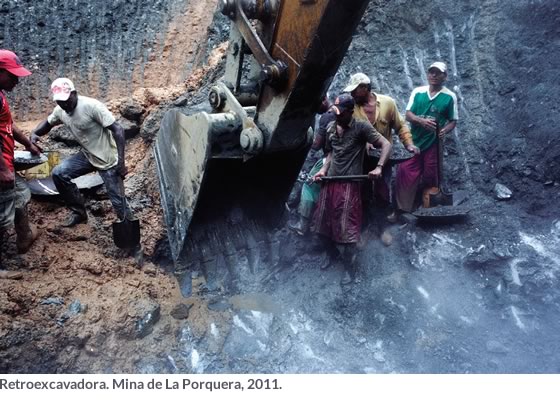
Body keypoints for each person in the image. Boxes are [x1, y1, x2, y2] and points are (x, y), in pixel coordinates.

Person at [31, 78, 141, 257]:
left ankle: (133, 245)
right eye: (60, 101)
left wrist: (121, 162)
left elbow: (118, 130)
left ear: (74, 93)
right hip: (87, 156)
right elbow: (48, 123)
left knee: (118, 202)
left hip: (108, 160)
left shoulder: (91, 106)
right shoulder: (61, 110)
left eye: (67, 99)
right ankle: (78, 211)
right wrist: (35, 133)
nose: (64, 104)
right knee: (59, 173)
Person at [312, 94, 391, 284]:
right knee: (322, 225)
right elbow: (331, 152)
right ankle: (331, 255)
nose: (337, 116)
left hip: (349, 184)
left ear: (350, 111)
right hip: (330, 181)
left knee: (346, 232)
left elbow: (386, 144)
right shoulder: (331, 126)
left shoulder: (361, 127)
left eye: (341, 113)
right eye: (335, 112)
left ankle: (350, 269)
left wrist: (379, 167)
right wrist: (323, 169)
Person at [343, 72, 418, 220]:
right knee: (361, 191)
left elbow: (400, 126)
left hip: (383, 157)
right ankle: (364, 224)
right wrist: (364, 142)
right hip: (360, 158)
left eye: (355, 89)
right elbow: (345, 132)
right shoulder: (351, 107)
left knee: (382, 190)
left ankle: (381, 225)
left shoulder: (387, 103)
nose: (352, 93)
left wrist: (409, 144)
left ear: (365, 88)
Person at [395, 62, 458, 213]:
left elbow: (453, 121)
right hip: (414, 140)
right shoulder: (418, 92)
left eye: (438, 73)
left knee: (431, 173)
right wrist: (421, 121)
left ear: (445, 76)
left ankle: (428, 206)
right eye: (431, 72)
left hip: (433, 142)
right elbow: (408, 115)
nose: (434, 75)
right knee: (405, 171)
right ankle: (402, 208)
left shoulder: (449, 96)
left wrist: (444, 130)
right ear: (428, 74)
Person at [0, 50, 41, 279]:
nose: (17, 81)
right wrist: (3, 169)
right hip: (0, 167)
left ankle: (24, 237)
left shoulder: (0, 95)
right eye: (12, 75)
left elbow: (7, 124)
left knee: (20, 192)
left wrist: (27, 143)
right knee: (1, 217)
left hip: (5, 161)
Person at [289, 101, 336, 235]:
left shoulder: (328, 116)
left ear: (323, 100)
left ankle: (302, 225)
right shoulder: (345, 112)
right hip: (346, 160)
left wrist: (301, 138)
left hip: (331, 159)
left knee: (309, 185)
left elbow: (316, 144)